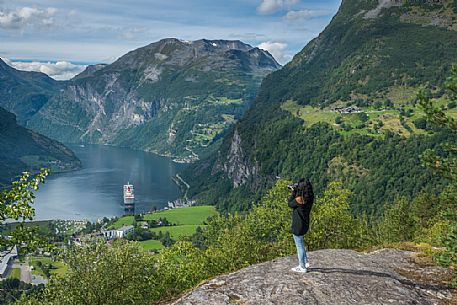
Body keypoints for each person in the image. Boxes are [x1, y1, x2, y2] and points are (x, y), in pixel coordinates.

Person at [288, 178, 314, 273]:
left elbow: (290, 204)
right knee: (301, 243)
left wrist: (293, 192)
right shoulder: (310, 197)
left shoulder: (299, 199)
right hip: (305, 224)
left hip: (298, 226)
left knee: (299, 246)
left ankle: (302, 267)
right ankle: (306, 262)